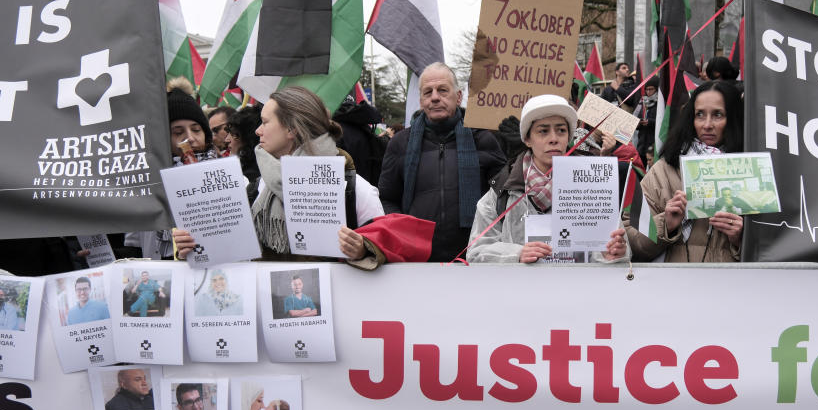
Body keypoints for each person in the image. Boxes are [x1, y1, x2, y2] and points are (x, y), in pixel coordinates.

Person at [174, 86, 384, 265]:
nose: (257, 131)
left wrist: (363, 251)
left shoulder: (354, 189)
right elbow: (229, 255)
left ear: (291, 129)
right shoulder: (254, 189)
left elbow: (386, 258)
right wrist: (191, 247)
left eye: (265, 122)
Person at [466, 94, 628, 264]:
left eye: (561, 131)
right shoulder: (502, 189)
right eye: (543, 131)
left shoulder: (593, 185)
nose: (553, 139)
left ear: (568, 137)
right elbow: (476, 250)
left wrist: (611, 254)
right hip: (520, 289)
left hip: (577, 288)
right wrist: (517, 253)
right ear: (528, 139)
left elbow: (615, 247)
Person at [378, 63, 505, 261]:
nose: (435, 97)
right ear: (421, 100)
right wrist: (405, 231)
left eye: (443, 90)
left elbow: (504, 195)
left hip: (474, 255)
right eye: (428, 92)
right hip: (418, 257)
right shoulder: (400, 143)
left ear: (459, 96)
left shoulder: (483, 139)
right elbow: (387, 199)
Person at [628, 80, 744, 262]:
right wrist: (665, 224)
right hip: (675, 286)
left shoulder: (753, 172)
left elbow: (775, 248)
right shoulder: (664, 171)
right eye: (699, 115)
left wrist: (741, 239)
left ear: (734, 118)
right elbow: (631, 239)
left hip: (735, 286)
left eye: (718, 115)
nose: (707, 124)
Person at [125, 79, 220, 260]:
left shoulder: (229, 177)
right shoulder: (146, 184)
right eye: (178, 132)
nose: (190, 138)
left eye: (196, 129)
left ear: (206, 135)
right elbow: (134, 248)